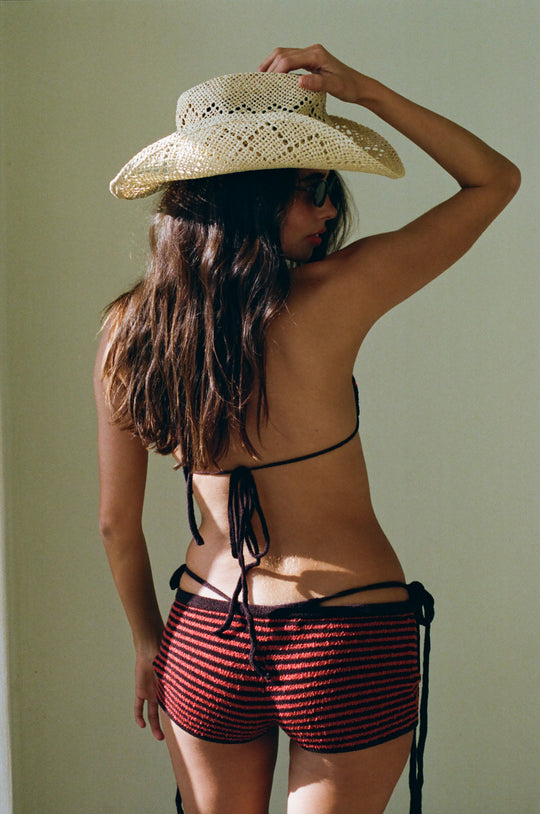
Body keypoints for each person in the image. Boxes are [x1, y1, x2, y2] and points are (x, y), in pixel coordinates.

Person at [94, 45, 520, 814]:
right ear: (250, 196)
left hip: (208, 633)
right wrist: (366, 92)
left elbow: (116, 524)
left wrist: (147, 642)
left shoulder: (129, 329)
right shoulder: (337, 293)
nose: (329, 211)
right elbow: (495, 179)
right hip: (343, 631)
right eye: (313, 190)